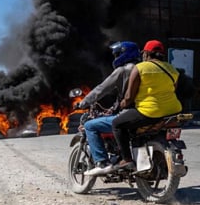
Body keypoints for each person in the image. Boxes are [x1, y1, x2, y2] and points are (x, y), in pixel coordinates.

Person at [109, 40, 183, 172]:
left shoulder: (140, 68)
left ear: (147, 53)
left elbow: (129, 96)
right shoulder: (172, 69)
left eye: (144, 53)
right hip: (173, 111)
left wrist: (122, 105)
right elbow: (173, 89)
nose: (143, 55)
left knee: (117, 124)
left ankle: (126, 159)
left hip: (150, 112)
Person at [77, 41, 141, 176]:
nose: (115, 57)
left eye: (117, 54)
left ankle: (102, 162)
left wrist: (83, 102)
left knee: (90, 125)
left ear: (124, 54)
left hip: (130, 113)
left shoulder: (122, 70)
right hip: (145, 111)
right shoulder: (143, 68)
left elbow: (102, 89)